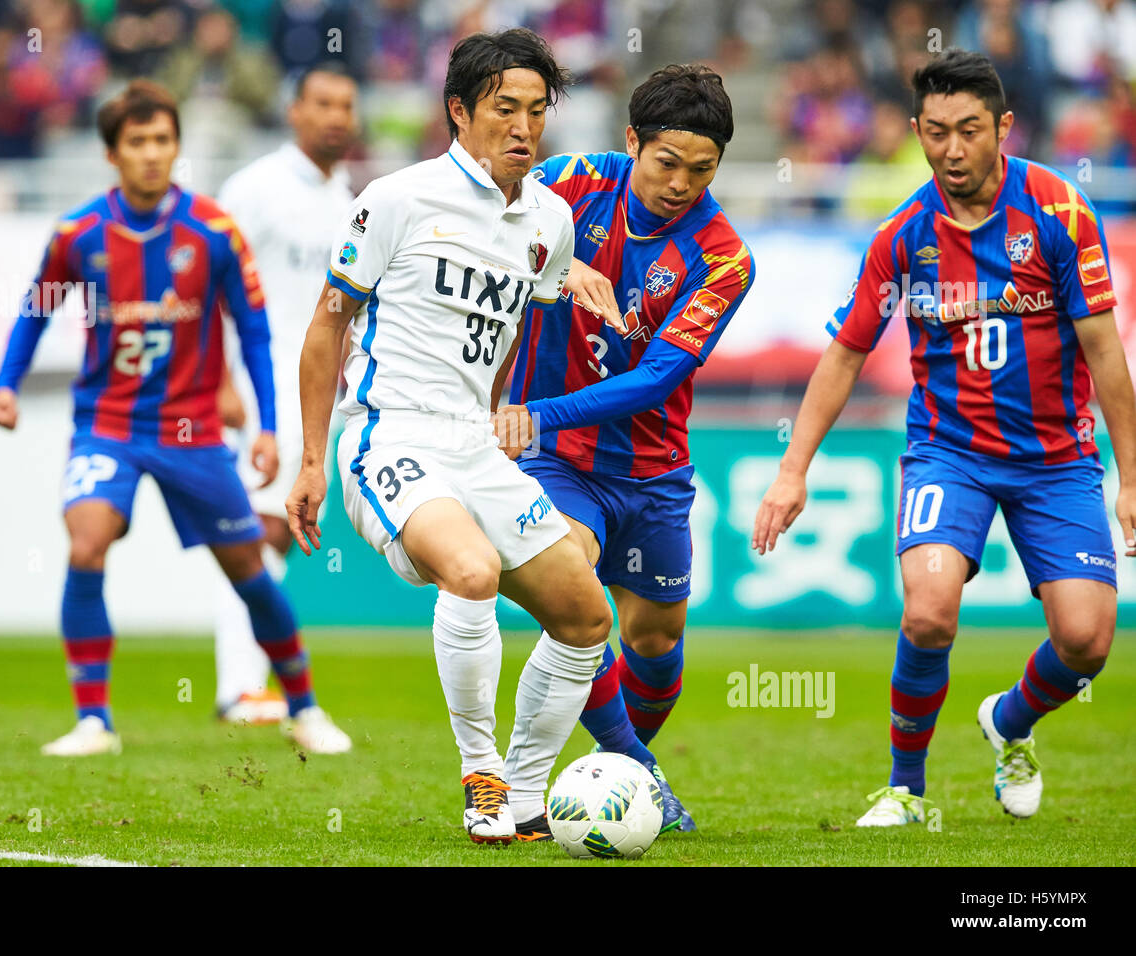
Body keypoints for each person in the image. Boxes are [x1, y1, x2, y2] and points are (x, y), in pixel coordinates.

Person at [751, 49, 1135, 825]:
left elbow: (1104, 354)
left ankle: (1011, 721)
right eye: (934, 133)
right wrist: (793, 470)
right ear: (917, 132)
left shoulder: (1060, 213)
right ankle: (906, 788)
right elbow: (846, 353)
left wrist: (1131, 479)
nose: (951, 150)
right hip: (948, 453)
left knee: (1089, 641)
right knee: (928, 612)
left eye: (968, 130)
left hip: (1056, 461)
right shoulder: (902, 236)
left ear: (1004, 127)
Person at [286, 28, 612, 845]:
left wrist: (495, 423)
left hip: (472, 441)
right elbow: (327, 331)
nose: (524, 128)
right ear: (459, 111)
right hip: (386, 434)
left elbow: (501, 344)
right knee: (468, 571)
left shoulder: (550, 221)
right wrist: (310, 460)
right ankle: (482, 775)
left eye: (538, 111)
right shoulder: (395, 199)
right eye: (506, 109)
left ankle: (530, 791)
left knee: (586, 615)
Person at [0, 80, 345, 757]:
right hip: (108, 424)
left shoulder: (212, 232)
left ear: (176, 147)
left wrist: (268, 426)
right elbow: (35, 311)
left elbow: (254, 331)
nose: (152, 154)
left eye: (163, 141)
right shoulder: (79, 235)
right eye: (138, 143)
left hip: (192, 431)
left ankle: (304, 706)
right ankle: (94, 720)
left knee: (248, 565)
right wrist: (7, 385)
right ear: (112, 154)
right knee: (86, 541)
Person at [493, 63, 756, 835]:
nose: (680, 183)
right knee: (571, 590)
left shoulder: (724, 256)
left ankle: (629, 759)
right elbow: (491, 219)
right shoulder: (568, 182)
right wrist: (558, 259)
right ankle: (630, 773)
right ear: (632, 141)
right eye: (666, 162)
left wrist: (535, 412)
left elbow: (657, 378)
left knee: (656, 643)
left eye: (701, 170)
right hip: (559, 462)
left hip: (652, 471)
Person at [209, 63, 357, 751]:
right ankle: (238, 686)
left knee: (280, 531)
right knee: (259, 530)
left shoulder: (348, 198)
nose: (336, 117)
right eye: (322, 103)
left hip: (320, 392)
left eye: (346, 106)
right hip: (261, 384)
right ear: (294, 111)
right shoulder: (256, 188)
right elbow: (205, 277)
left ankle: (254, 682)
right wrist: (219, 379)